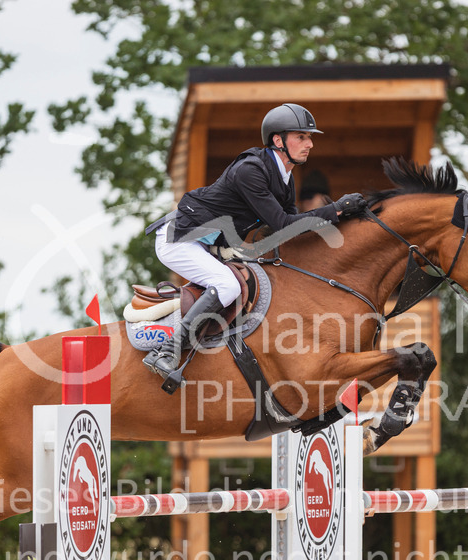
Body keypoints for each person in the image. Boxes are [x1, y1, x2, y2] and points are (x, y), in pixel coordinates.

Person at [142, 103, 364, 386]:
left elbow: (294, 227)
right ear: (278, 140)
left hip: (209, 246)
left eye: (309, 137)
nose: (310, 143)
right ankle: (167, 352)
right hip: (180, 239)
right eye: (301, 137)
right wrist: (336, 210)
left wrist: (343, 218)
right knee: (228, 286)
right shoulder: (251, 170)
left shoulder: (284, 178)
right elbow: (284, 223)